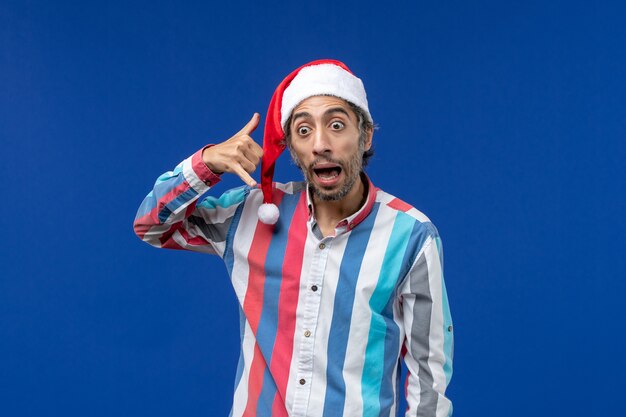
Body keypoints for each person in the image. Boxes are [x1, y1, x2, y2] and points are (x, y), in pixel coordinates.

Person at [134, 59, 453, 417]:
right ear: (290, 148)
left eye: (336, 125)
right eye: (303, 131)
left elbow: (430, 378)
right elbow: (151, 225)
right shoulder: (250, 215)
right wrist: (206, 163)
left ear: (365, 136)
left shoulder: (411, 235)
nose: (320, 144)